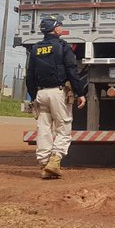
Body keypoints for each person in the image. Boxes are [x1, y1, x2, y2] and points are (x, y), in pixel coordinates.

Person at [26, 14, 87, 179]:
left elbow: (29, 75)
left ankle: (44, 165)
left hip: (41, 93)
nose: (61, 27)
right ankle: (55, 160)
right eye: (59, 25)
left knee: (44, 129)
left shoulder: (35, 48)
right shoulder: (63, 47)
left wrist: (34, 96)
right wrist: (80, 93)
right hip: (58, 93)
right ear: (54, 28)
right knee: (63, 128)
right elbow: (72, 71)